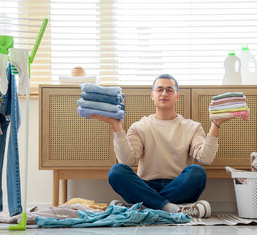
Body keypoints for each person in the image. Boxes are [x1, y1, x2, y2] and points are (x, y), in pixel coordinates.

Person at [90, 74, 233, 218]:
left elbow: (206, 159)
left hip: (179, 187)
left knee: (197, 172)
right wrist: (116, 126)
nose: (164, 93)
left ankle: (143, 206)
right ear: (152, 95)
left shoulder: (192, 127)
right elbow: (127, 161)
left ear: (177, 96)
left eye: (169, 90)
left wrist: (216, 124)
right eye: (159, 89)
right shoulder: (139, 127)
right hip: (144, 186)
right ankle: (171, 208)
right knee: (117, 171)